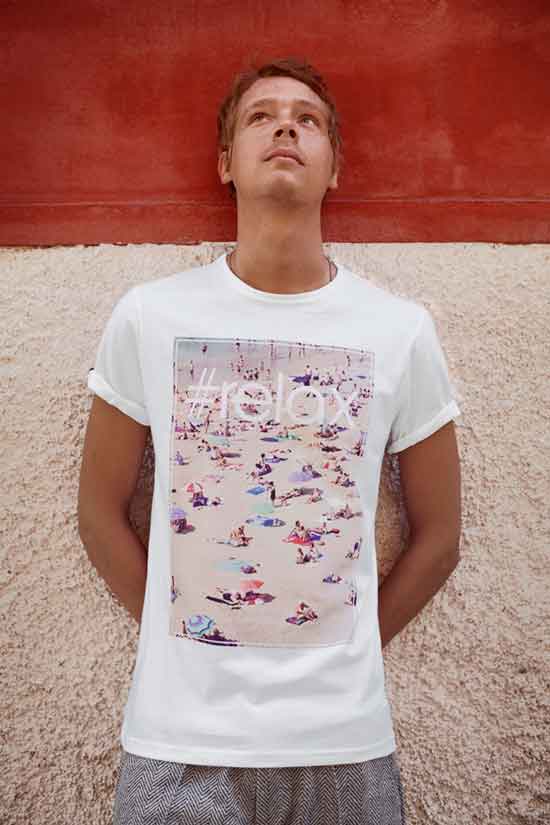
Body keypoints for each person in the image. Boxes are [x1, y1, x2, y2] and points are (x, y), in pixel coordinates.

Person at [81, 56, 462, 825]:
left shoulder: (399, 330)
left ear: (334, 167)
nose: (286, 126)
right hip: (179, 741)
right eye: (261, 116)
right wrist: (184, 638)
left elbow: (441, 537)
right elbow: (97, 512)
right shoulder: (151, 316)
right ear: (225, 163)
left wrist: (351, 645)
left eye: (307, 119)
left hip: (343, 740)